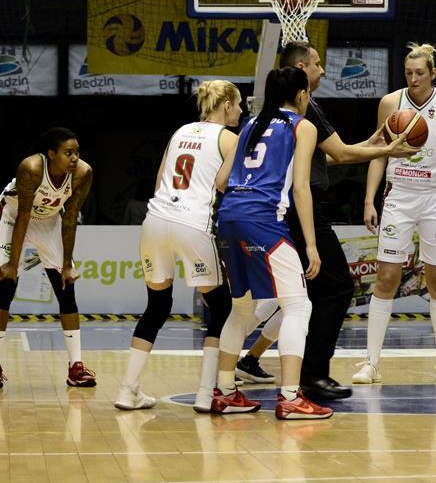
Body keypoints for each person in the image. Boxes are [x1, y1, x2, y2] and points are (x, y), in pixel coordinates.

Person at [275, 42, 413, 402]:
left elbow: (327, 158)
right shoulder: (306, 108)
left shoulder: (277, 111)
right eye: (317, 64)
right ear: (302, 69)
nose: (323, 70)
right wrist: (387, 150)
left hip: (272, 211)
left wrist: (370, 143)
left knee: (286, 299)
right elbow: (339, 153)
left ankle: (243, 370)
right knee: (336, 288)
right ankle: (312, 375)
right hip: (301, 207)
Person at [211, 66, 331, 420]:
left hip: (228, 217)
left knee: (241, 309)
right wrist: (311, 245)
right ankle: (291, 398)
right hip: (262, 220)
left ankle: (225, 392)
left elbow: (221, 181)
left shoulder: (249, 124)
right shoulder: (302, 126)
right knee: (298, 306)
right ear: (301, 95)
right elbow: (301, 188)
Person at [114, 80, 242, 411]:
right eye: (239, 104)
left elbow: (160, 182)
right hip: (193, 224)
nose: (241, 111)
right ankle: (206, 393)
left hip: (156, 220)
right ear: (227, 105)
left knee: (157, 307)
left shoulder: (180, 132)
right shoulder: (231, 138)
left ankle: (128, 391)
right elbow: (226, 185)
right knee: (222, 308)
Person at [357, 43, 436, 384]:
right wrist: (369, 199)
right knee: (386, 277)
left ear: (433, 73)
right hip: (399, 196)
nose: (414, 78)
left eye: (420, 73)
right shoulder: (390, 103)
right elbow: (378, 153)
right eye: (409, 73)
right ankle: (371, 363)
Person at [0, 128, 95, 389]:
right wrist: (12, 265)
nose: (74, 158)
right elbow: (24, 215)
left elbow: (70, 217)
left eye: (77, 152)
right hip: (13, 217)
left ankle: (76, 367)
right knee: (5, 287)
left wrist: (67, 265)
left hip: (49, 221)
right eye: (68, 153)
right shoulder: (31, 168)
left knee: (67, 287)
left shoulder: (83, 173)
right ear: (51, 154)